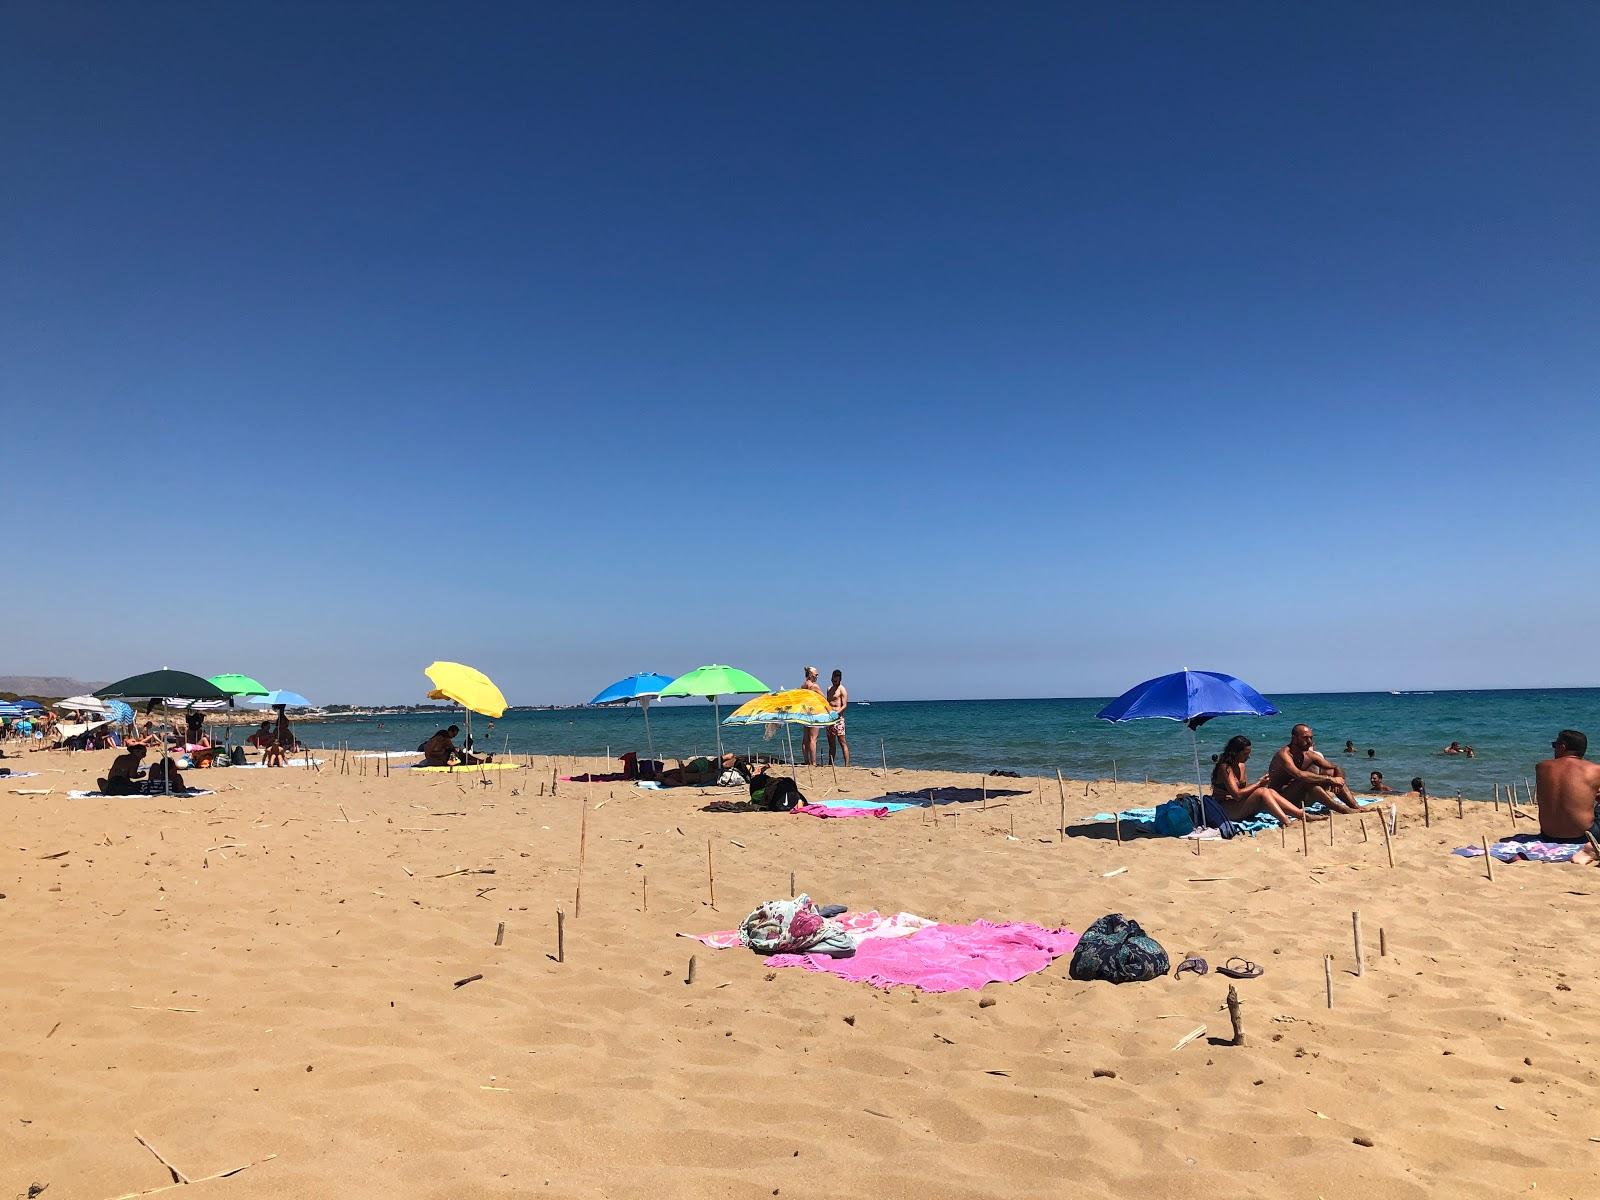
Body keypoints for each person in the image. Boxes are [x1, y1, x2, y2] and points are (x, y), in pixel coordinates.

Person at [1211, 735, 1318, 824]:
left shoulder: (1241, 765)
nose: (1249, 757)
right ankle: (1286, 821)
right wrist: (1258, 784)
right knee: (1261, 791)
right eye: (1245, 754)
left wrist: (1261, 783)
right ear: (1235, 752)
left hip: (1236, 804)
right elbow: (1237, 794)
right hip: (1223, 808)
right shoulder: (1225, 767)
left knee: (1269, 791)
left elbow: (1244, 790)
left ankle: (1303, 815)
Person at [1267, 724, 1366, 815]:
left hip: (1301, 797)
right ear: (1294, 738)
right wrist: (1330, 779)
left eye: (1311, 738)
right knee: (1307, 780)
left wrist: (1338, 779)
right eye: (1305, 738)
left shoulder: (1308, 755)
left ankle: (1355, 806)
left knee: (1330, 772)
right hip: (1280, 798)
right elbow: (1299, 775)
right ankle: (1342, 809)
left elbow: (1335, 767)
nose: (1309, 742)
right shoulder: (1284, 755)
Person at [1534, 730, 1600, 858]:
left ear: (1562, 747)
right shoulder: (1595, 770)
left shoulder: (1541, 767)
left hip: (1548, 835)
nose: (1554, 749)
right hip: (1584, 836)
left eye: (1555, 745)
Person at [799, 666, 824, 766]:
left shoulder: (803, 685)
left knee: (805, 738)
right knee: (813, 739)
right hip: (814, 713)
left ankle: (806, 761)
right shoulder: (814, 686)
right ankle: (813, 762)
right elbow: (823, 698)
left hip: (806, 713)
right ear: (810, 675)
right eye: (816, 674)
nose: (817, 676)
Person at [826, 669, 849, 766]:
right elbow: (827, 703)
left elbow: (844, 705)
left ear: (839, 679)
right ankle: (831, 763)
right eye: (832, 680)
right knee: (831, 743)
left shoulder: (842, 689)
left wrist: (837, 713)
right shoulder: (829, 689)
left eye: (835, 680)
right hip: (829, 719)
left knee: (842, 742)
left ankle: (847, 765)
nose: (833, 682)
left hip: (838, 719)